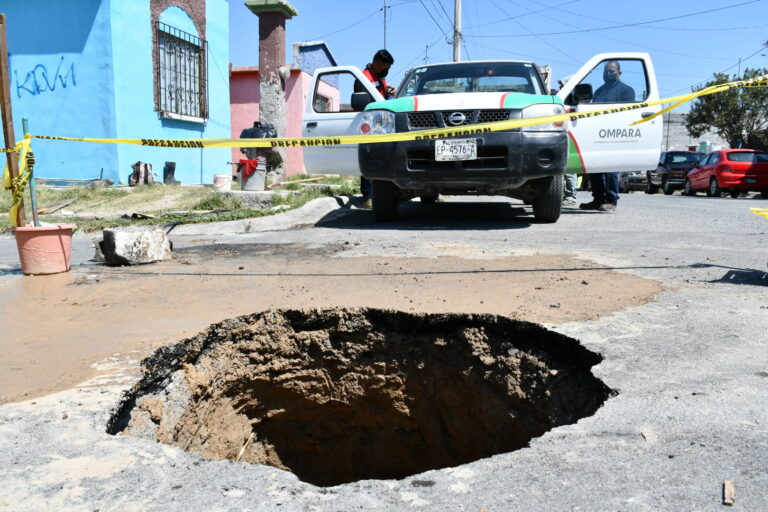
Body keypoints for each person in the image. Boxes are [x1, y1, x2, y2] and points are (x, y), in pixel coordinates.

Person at [579, 61, 635, 212]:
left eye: (611, 71)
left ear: (619, 73)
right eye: (605, 72)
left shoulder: (627, 91)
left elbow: (627, 115)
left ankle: (611, 200)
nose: (608, 75)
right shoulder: (598, 92)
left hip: (614, 135)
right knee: (595, 168)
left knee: (610, 169)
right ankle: (598, 199)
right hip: (597, 135)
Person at [356, 49, 395, 208]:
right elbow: (365, 100)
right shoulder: (364, 78)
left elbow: (382, 97)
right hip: (369, 123)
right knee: (369, 158)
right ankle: (368, 196)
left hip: (382, 123)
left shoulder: (379, 77)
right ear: (378, 64)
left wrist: (389, 93)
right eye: (386, 66)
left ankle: (381, 194)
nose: (388, 70)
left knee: (382, 159)